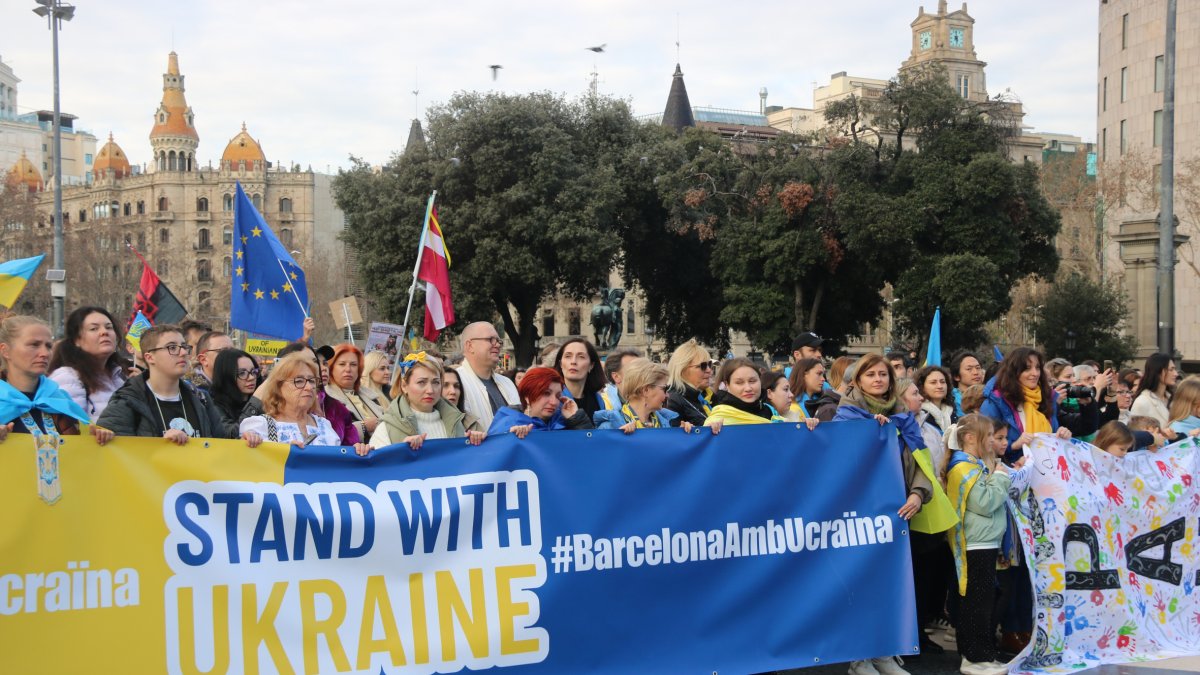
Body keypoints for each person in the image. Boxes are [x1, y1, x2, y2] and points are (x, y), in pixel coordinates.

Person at [835, 353, 932, 675]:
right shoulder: (845, 417)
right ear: (857, 380)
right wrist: (868, 436)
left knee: (890, 585)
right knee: (859, 585)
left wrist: (919, 494)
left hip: (896, 516)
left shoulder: (903, 416)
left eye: (883, 374)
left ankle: (883, 653)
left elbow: (920, 460)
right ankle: (859, 657)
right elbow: (834, 465)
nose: (878, 380)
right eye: (871, 375)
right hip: (858, 517)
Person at [945, 414, 1028, 675]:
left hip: (985, 542)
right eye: (989, 435)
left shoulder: (976, 464)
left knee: (983, 601)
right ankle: (972, 657)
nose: (993, 440)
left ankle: (982, 653)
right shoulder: (962, 468)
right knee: (976, 602)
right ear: (970, 438)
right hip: (975, 544)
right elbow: (985, 502)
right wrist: (1001, 477)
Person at [98, 325, 234, 443]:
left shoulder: (201, 399)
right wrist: (160, 445)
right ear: (150, 357)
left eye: (184, 346)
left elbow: (220, 446)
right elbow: (117, 456)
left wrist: (244, 439)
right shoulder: (128, 401)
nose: (183, 353)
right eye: (172, 347)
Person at [0, 315, 112, 449]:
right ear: (5, 351)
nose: (45, 353)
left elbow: (80, 455)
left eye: (48, 346)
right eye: (34, 345)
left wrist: (98, 437)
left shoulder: (60, 400)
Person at [241, 353, 371, 455]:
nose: (309, 387)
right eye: (299, 381)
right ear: (279, 387)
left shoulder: (324, 426)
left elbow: (337, 466)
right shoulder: (260, 427)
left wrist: (355, 452)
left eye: (312, 381)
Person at [369, 353, 486, 449]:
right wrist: (399, 453)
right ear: (404, 386)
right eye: (421, 382)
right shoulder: (387, 428)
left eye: (436, 382)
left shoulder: (457, 421)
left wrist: (476, 444)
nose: (430, 390)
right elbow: (377, 471)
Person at [979, 346, 1072, 466]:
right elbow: (984, 445)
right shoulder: (996, 402)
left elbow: (1052, 437)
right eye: (1027, 368)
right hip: (1010, 475)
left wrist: (1061, 435)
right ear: (1014, 372)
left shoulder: (1047, 398)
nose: (1035, 373)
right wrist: (1014, 445)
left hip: (1046, 473)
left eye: (1037, 368)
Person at [47, 306, 130, 420]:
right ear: (77, 340)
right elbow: (73, 429)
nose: (104, 332)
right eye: (94, 329)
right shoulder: (68, 377)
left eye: (109, 327)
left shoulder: (121, 376)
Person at [487, 367, 594, 437]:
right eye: (546, 393)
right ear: (527, 396)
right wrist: (509, 438)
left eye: (558, 396)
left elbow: (591, 449)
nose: (553, 402)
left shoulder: (564, 421)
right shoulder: (508, 423)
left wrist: (576, 419)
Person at [594, 359, 690, 432]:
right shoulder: (608, 427)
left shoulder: (667, 424)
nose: (668, 395)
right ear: (645, 390)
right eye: (664, 388)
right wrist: (618, 439)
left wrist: (682, 436)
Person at [456, 322, 519, 429]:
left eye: (499, 341)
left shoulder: (508, 383)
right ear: (470, 346)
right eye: (491, 340)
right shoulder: (455, 383)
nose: (498, 345)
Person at [325, 344, 388, 440]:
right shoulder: (325, 398)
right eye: (342, 364)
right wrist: (363, 426)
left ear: (359, 369)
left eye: (353, 364)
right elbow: (331, 436)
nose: (348, 369)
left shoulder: (370, 395)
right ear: (331, 368)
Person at [209, 349, 261, 437]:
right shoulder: (213, 404)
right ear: (226, 376)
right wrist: (256, 401)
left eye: (253, 371)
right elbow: (230, 434)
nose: (251, 377)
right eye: (242, 373)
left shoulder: (264, 402)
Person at [664, 339, 715, 427]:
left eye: (709, 364)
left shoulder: (705, 397)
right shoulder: (672, 400)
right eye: (703, 366)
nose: (709, 370)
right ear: (683, 370)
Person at [554, 338, 607, 420]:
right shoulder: (553, 399)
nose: (573, 361)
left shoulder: (598, 400)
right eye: (568, 356)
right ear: (560, 363)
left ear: (591, 365)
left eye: (581, 357)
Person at [1131, 353, 1178, 432]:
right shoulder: (1142, 402)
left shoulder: (1173, 399)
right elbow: (1136, 435)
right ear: (1159, 371)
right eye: (1171, 369)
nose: (1176, 374)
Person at [949, 351, 985, 416]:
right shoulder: (950, 400)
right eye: (969, 369)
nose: (976, 372)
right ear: (956, 376)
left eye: (978, 368)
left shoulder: (988, 396)